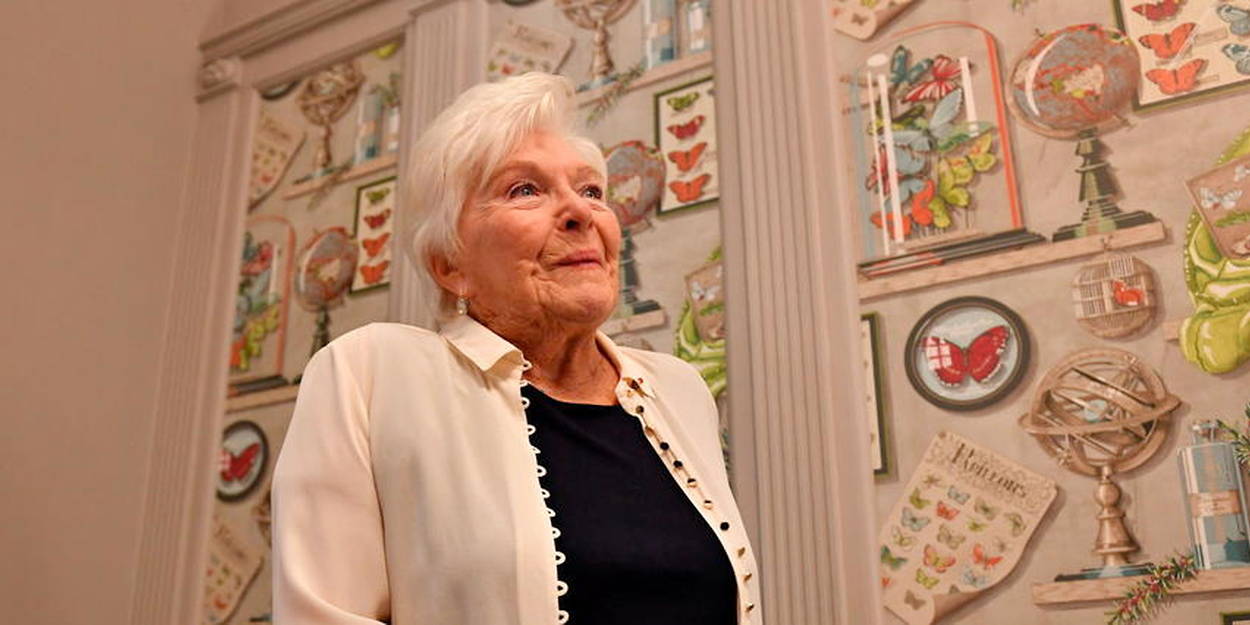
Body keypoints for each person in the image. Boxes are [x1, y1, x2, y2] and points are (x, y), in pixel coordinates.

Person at [271, 72, 760, 625]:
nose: (580, 212)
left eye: (591, 191)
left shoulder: (677, 389)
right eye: (525, 190)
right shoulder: (372, 373)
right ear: (450, 265)